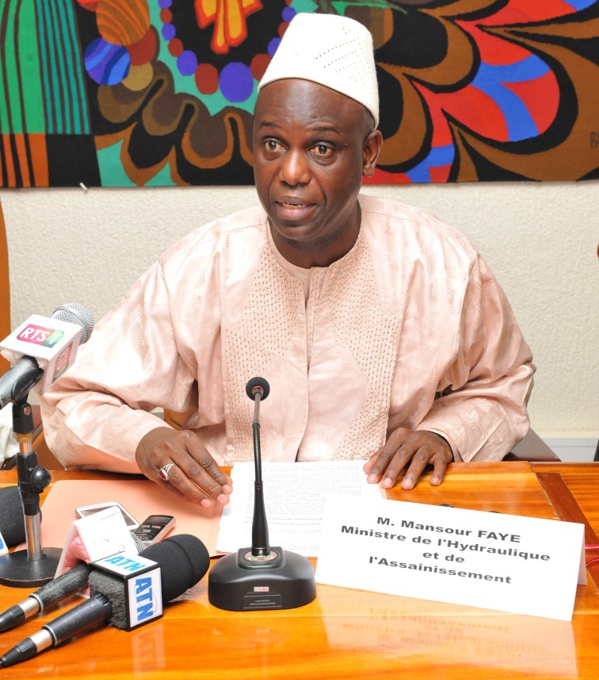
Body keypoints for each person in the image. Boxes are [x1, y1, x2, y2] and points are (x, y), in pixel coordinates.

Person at [40, 13, 534, 508]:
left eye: (321, 148)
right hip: (223, 519)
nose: (290, 172)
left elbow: (503, 384)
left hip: (388, 517)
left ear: (368, 153)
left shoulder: (441, 264)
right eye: (273, 144)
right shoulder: (200, 266)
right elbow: (72, 401)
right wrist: (143, 440)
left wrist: (446, 435)